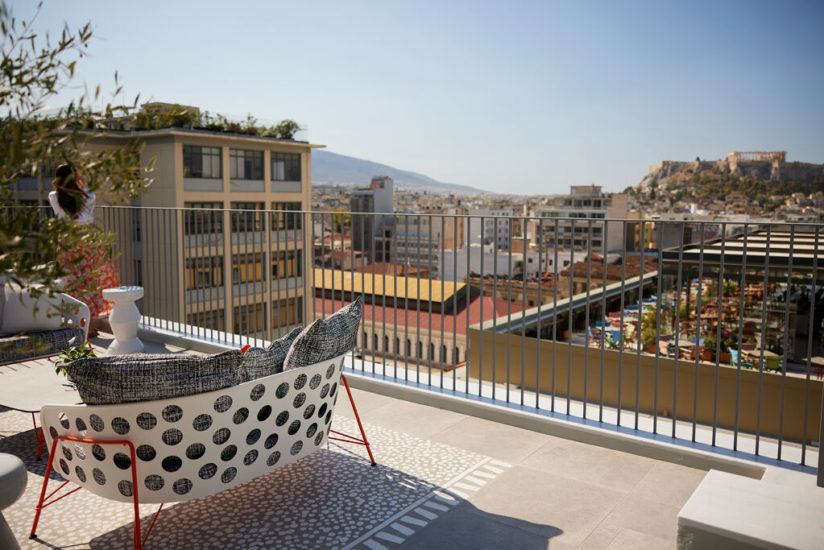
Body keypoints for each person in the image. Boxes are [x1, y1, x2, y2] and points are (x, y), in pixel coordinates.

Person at [49, 163, 120, 336]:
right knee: (94, 282)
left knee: (75, 284)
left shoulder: (53, 196)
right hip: (87, 241)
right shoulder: (89, 195)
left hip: (67, 242)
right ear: (75, 178)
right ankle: (90, 324)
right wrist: (80, 185)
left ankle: (85, 325)